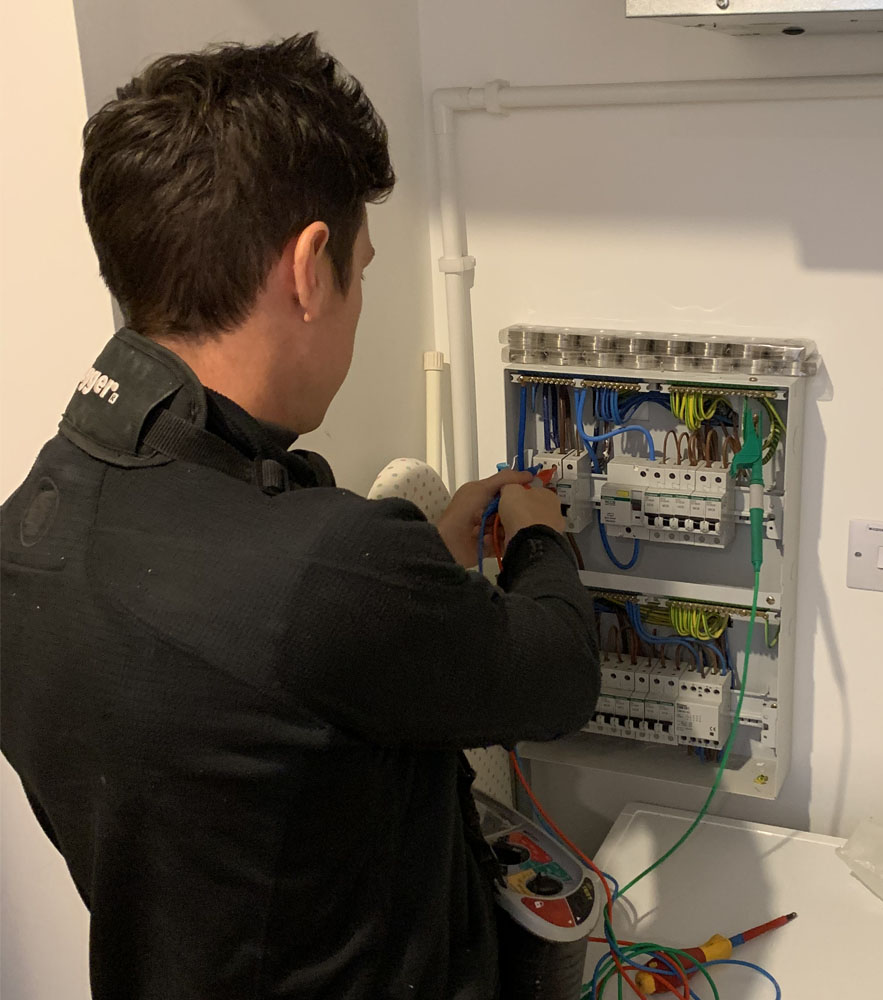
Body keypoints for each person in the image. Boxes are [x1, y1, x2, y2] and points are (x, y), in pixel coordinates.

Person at [0, 33, 599, 1000]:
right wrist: (537, 533)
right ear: (310, 267)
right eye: (363, 268)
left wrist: (417, 573)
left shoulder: (30, 527)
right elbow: (559, 674)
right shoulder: (326, 570)